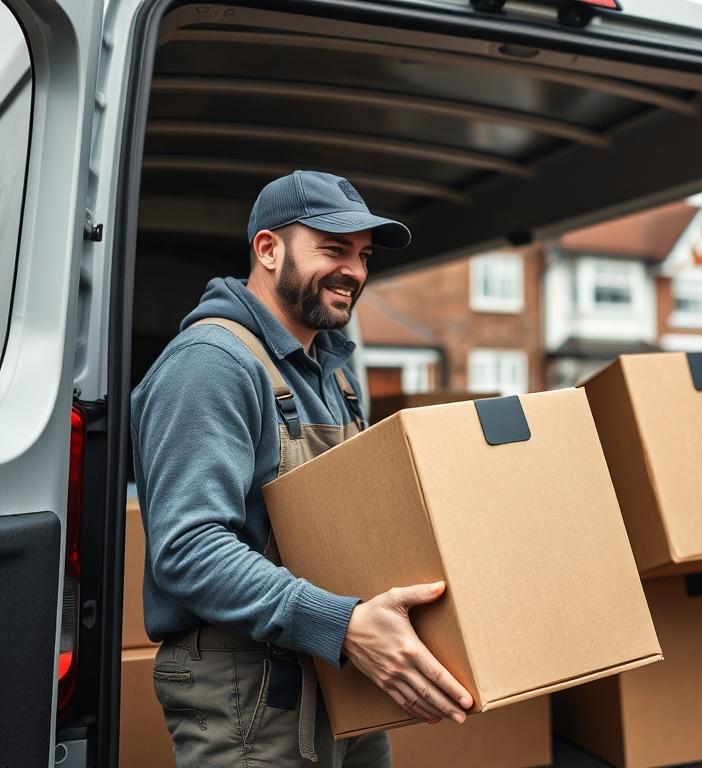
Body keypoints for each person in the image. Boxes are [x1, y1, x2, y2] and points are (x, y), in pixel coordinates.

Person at [131, 170, 473, 767]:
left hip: (345, 675)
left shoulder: (333, 373)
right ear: (268, 249)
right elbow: (189, 548)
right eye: (334, 249)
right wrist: (340, 624)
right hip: (253, 696)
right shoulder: (211, 365)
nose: (356, 272)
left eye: (363, 256)